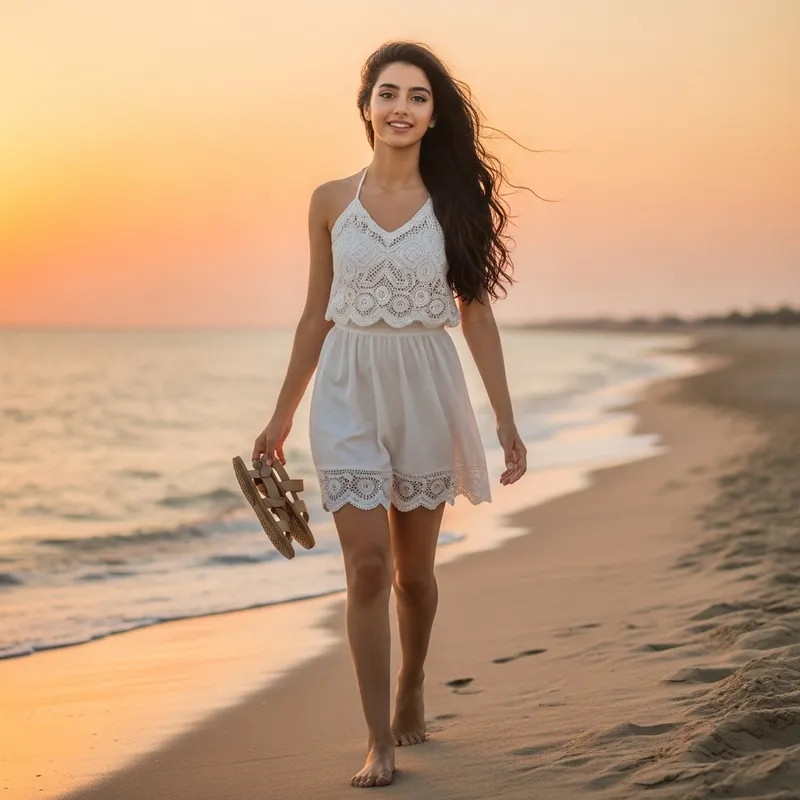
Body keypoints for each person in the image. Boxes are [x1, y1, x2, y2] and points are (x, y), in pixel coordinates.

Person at [252, 40, 527, 789]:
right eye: (388, 94)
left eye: (416, 97)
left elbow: (475, 318)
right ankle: (380, 738)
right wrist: (280, 419)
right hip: (346, 388)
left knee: (415, 577)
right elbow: (315, 315)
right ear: (366, 107)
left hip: (426, 390)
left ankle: (413, 682)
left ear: (434, 116)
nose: (400, 107)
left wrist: (504, 420)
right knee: (366, 567)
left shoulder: (452, 208)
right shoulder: (329, 202)